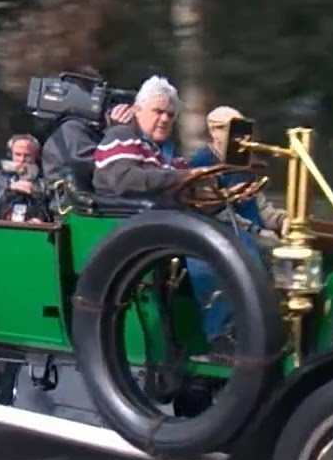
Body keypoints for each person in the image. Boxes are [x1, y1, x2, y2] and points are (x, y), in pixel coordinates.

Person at [92, 75, 266, 351]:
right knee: (213, 247)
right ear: (137, 110)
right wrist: (183, 176)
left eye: (170, 114)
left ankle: (245, 325)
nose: (164, 119)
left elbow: (186, 185)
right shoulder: (122, 137)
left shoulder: (164, 153)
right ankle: (219, 335)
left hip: (166, 222)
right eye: (157, 111)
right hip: (135, 227)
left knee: (240, 240)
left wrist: (223, 197)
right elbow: (124, 180)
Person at [188, 105, 285, 240]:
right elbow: (214, 211)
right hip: (228, 240)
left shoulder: (242, 162)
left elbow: (259, 205)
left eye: (243, 130)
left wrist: (282, 220)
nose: (242, 137)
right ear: (214, 131)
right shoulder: (203, 162)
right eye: (234, 129)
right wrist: (256, 231)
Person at [0, 134, 48, 223]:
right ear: (10, 154)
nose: (22, 160)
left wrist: (35, 193)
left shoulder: (44, 181)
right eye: (18, 155)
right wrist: (9, 189)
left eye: (27, 155)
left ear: (36, 155)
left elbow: (52, 210)